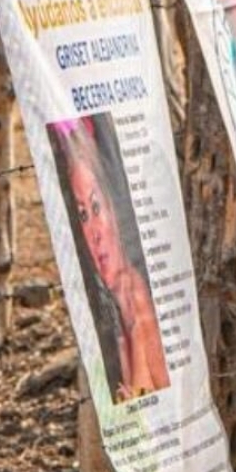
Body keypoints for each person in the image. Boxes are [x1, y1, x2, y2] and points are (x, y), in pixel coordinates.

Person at [49, 117, 169, 404]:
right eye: (82, 215)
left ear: (114, 209)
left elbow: (154, 405)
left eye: (96, 207)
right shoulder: (114, 310)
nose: (94, 233)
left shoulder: (140, 301)